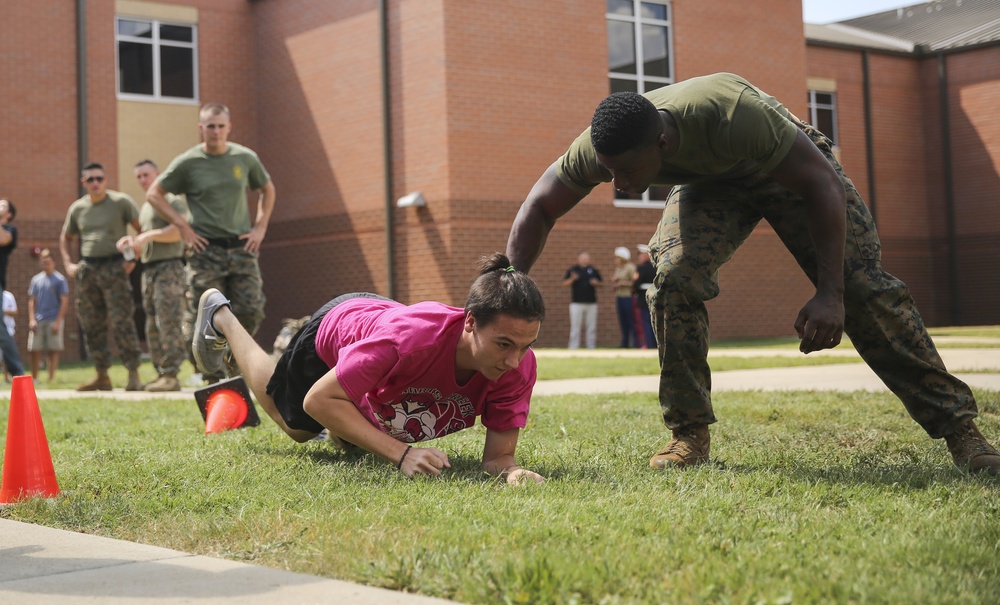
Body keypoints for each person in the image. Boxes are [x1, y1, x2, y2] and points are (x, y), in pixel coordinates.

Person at [506, 72, 1000, 474]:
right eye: (610, 172)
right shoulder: (610, 143)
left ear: (661, 142)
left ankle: (962, 433)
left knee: (862, 288)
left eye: (628, 173)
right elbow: (539, 206)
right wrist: (509, 282)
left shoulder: (733, 114)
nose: (619, 183)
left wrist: (829, 292)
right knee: (673, 279)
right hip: (712, 184)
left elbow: (820, 185)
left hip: (789, 170)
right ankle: (689, 435)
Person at [191, 253, 546, 484]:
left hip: (383, 325)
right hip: (338, 326)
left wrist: (513, 472)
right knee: (297, 426)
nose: (513, 361)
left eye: (525, 346)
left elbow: (499, 457)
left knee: (355, 434)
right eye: (503, 344)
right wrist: (401, 454)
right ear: (470, 323)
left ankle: (343, 430)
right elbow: (317, 401)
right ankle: (222, 317)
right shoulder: (409, 343)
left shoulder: (518, 367)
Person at [146, 102, 275, 383]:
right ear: (201, 128)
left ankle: (232, 361)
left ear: (228, 127)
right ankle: (211, 375)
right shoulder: (189, 162)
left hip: (241, 247)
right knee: (201, 317)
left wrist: (260, 227)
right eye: (210, 126)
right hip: (206, 250)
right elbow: (155, 194)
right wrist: (183, 227)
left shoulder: (245, 157)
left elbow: (267, 188)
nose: (215, 131)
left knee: (251, 309)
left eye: (220, 126)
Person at [60, 162, 144, 391]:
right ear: (83, 183)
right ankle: (102, 376)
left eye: (99, 178)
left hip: (115, 267)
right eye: (90, 180)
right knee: (91, 323)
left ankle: (133, 374)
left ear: (106, 180)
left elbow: (141, 230)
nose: (95, 183)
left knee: (122, 321)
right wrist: (68, 263)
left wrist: (133, 258)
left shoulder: (121, 202)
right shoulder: (78, 208)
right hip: (88, 269)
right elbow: (66, 237)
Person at [119, 159, 191, 392]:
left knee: (168, 321)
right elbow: (148, 239)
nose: (142, 180)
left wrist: (148, 236)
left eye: (146, 175)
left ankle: (172, 375)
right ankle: (162, 374)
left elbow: (180, 231)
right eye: (138, 176)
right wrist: (132, 244)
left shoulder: (170, 201)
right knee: (152, 323)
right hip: (149, 270)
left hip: (169, 269)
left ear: (158, 175)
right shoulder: (147, 206)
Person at [27, 249, 69, 383]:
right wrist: (32, 319)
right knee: (34, 348)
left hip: (53, 319)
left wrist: (58, 321)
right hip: (38, 319)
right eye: (43, 262)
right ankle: (35, 378)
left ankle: (51, 378)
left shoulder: (60, 279)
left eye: (48, 262)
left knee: (53, 349)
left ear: (54, 262)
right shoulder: (36, 279)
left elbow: (64, 302)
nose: (46, 265)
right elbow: (32, 300)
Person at [0, 199, 25, 378]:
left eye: (2, 205)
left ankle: (17, 372)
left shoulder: (10, 230)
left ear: (9, 214)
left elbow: (3, 239)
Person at [563, 252, 602, 349]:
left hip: (591, 303)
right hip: (576, 303)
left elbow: (601, 283)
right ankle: (573, 347)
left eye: (586, 258)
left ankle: (591, 346)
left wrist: (595, 283)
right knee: (575, 327)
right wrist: (572, 279)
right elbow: (564, 283)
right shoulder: (573, 270)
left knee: (591, 327)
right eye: (582, 258)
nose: (584, 260)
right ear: (578, 259)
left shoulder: (593, 270)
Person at [612, 246, 637, 348]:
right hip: (620, 296)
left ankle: (636, 342)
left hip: (628, 297)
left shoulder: (631, 267)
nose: (615, 260)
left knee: (631, 320)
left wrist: (623, 283)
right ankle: (625, 343)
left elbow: (635, 282)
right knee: (622, 321)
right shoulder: (618, 269)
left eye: (617, 258)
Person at [632, 244, 656, 349]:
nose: (640, 257)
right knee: (654, 321)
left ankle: (649, 344)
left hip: (644, 297)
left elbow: (636, 283)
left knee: (646, 321)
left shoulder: (641, 268)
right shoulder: (656, 267)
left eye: (641, 254)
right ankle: (655, 344)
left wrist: (634, 289)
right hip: (655, 297)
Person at [1, 289, 15, 381]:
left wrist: (2, 312)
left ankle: (7, 377)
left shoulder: (8, 295)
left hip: (7, 330)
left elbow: (15, 311)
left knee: (7, 354)